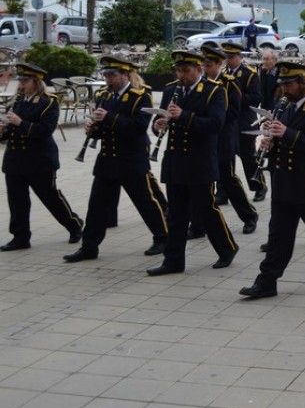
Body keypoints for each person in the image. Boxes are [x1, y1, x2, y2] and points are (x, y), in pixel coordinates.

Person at [239, 62, 305, 298]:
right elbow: (282, 139)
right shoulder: (282, 105)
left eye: (289, 84)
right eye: (283, 84)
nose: (285, 89)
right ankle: (266, 281)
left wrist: (285, 133)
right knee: (278, 235)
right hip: (284, 181)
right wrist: (269, 142)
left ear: (303, 83)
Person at [63, 56, 169, 262]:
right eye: (106, 75)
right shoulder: (104, 95)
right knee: (96, 206)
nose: (108, 80)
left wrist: (109, 118)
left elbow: (138, 127)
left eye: (112, 75)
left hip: (131, 158)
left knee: (145, 202)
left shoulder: (140, 96)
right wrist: (92, 130)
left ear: (125, 75)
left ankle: (163, 237)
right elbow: (103, 129)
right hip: (108, 159)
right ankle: (89, 246)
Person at [146, 51, 238, 276]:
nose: (181, 75)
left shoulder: (214, 91)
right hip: (175, 160)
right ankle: (173, 261)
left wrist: (184, 116)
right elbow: (160, 120)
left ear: (199, 69)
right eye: (178, 70)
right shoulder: (171, 90)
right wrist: (158, 126)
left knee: (206, 209)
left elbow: (216, 124)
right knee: (176, 214)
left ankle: (227, 248)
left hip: (199, 160)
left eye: (186, 71)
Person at [0, 63, 83, 251]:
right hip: (15, 158)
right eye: (19, 80)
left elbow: (45, 130)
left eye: (25, 80)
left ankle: (74, 224)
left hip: (39, 159)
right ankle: (20, 237)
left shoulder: (48, 101)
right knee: (17, 201)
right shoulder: (18, 99)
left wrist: (20, 123)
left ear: (36, 82)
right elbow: (11, 128)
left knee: (50, 197)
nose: (21, 84)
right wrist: (3, 131)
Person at [200, 45, 258, 234]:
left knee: (228, 179)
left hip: (223, 137)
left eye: (208, 65)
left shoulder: (229, 82)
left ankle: (249, 216)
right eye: (204, 65)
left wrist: (213, 119)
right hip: (204, 139)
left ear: (218, 64)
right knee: (201, 183)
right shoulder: (201, 83)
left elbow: (234, 111)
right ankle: (198, 223)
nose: (205, 69)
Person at [222, 43, 267, 202]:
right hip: (227, 123)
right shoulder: (222, 73)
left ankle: (259, 187)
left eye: (232, 57)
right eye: (227, 57)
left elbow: (256, 97)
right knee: (225, 159)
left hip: (244, 121)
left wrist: (234, 99)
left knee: (248, 158)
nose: (229, 60)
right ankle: (223, 192)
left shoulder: (249, 73)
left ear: (240, 57)